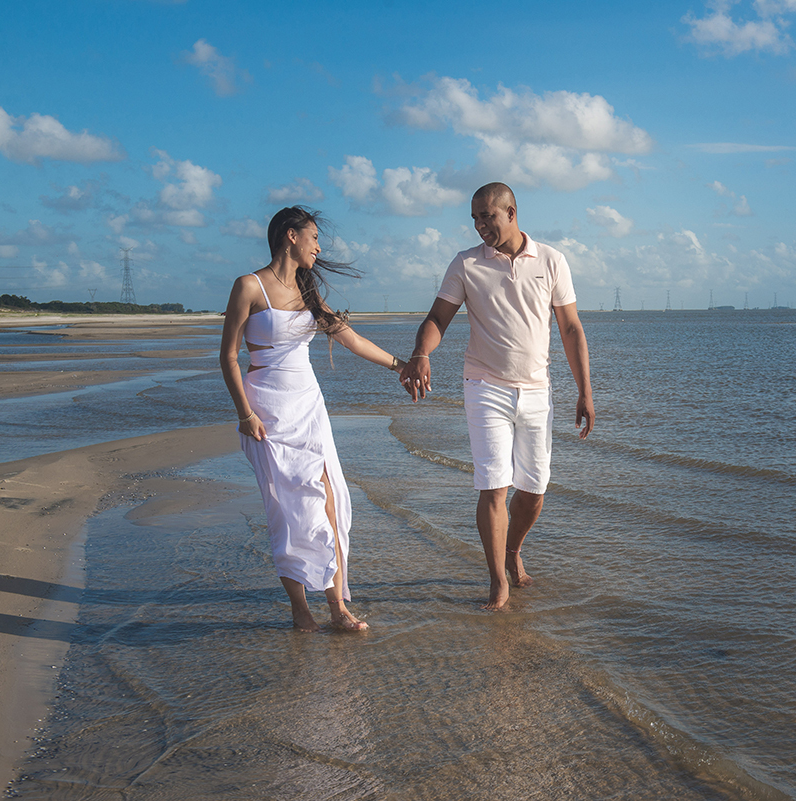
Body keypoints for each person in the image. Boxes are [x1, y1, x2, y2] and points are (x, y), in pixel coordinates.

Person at [400, 182, 593, 610]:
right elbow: (437, 318)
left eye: (487, 215)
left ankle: (512, 550)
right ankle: (496, 581)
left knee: (535, 490)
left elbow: (571, 328)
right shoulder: (466, 263)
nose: (480, 225)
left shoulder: (551, 260)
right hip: (485, 387)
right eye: (474, 218)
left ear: (512, 212)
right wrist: (421, 352)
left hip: (537, 390)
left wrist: (585, 390)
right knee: (494, 488)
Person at [220, 206, 405, 632]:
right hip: (267, 411)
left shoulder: (308, 292)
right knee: (288, 511)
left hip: (308, 407)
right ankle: (300, 610)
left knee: (332, 501)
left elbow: (352, 340)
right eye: (314, 237)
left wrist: (401, 365)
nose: (319, 248)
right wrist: (244, 414)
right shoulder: (249, 286)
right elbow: (228, 356)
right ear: (291, 236)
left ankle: (338, 608)